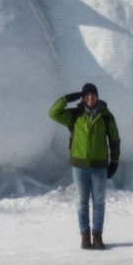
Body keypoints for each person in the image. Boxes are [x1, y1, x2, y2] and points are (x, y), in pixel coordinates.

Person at [48, 83, 120, 250]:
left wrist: (114, 161)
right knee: (82, 202)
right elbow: (53, 113)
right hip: (79, 167)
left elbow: (114, 139)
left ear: (97, 96)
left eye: (93, 95)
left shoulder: (106, 116)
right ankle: (85, 236)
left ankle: (98, 236)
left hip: (100, 167)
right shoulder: (74, 115)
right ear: (83, 97)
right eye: (86, 95)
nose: (90, 98)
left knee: (99, 202)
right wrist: (67, 98)